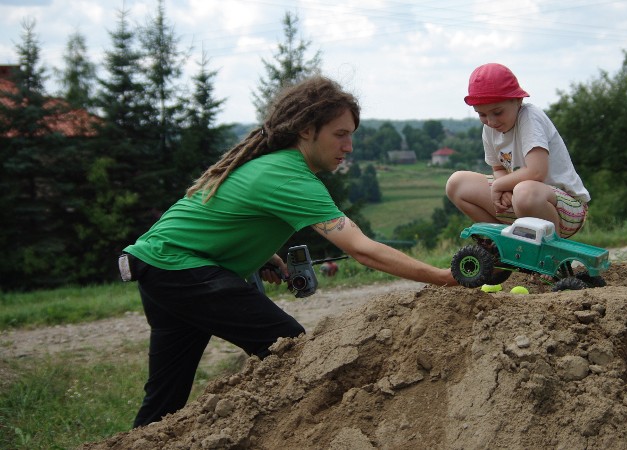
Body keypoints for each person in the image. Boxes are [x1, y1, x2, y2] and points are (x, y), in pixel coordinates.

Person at [121, 75, 456, 428]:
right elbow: (363, 250)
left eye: (351, 135)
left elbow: (218, 216)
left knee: (164, 399)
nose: (349, 146)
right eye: (340, 134)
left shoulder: (273, 165)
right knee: (290, 348)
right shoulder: (290, 175)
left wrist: (262, 254)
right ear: (307, 130)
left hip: (156, 265)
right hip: (180, 269)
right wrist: (442, 277)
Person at [446, 63, 590, 239]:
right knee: (457, 184)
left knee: (524, 192)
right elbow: (498, 169)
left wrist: (499, 185)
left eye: (497, 112)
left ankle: (550, 254)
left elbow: (537, 171)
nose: (491, 121)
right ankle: (503, 245)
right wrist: (504, 190)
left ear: (518, 101)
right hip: (520, 200)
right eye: (482, 114)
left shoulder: (529, 117)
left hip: (564, 209)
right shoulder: (490, 129)